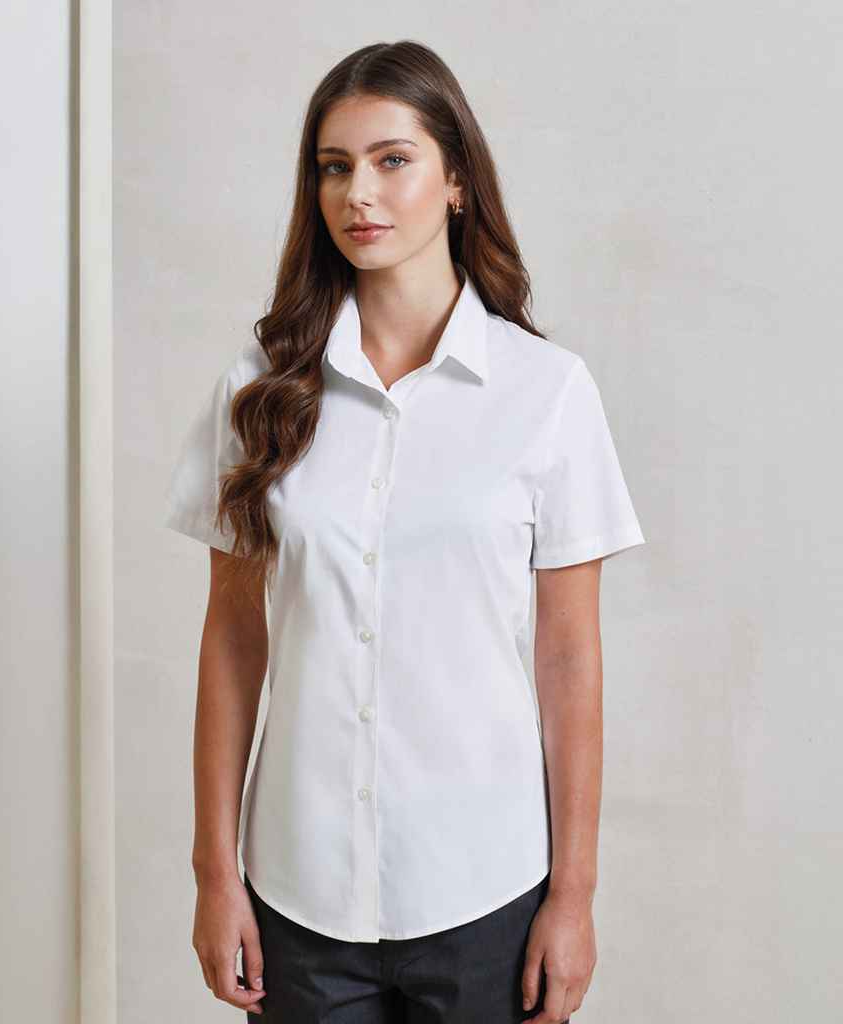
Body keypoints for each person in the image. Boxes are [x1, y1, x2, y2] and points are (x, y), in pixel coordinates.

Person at [164, 39, 645, 1024]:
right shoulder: (259, 389)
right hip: (297, 896)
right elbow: (233, 639)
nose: (359, 195)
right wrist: (216, 874)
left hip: (485, 891)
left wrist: (573, 895)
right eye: (334, 167)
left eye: (393, 160)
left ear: (457, 179)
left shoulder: (546, 393)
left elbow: (568, 659)